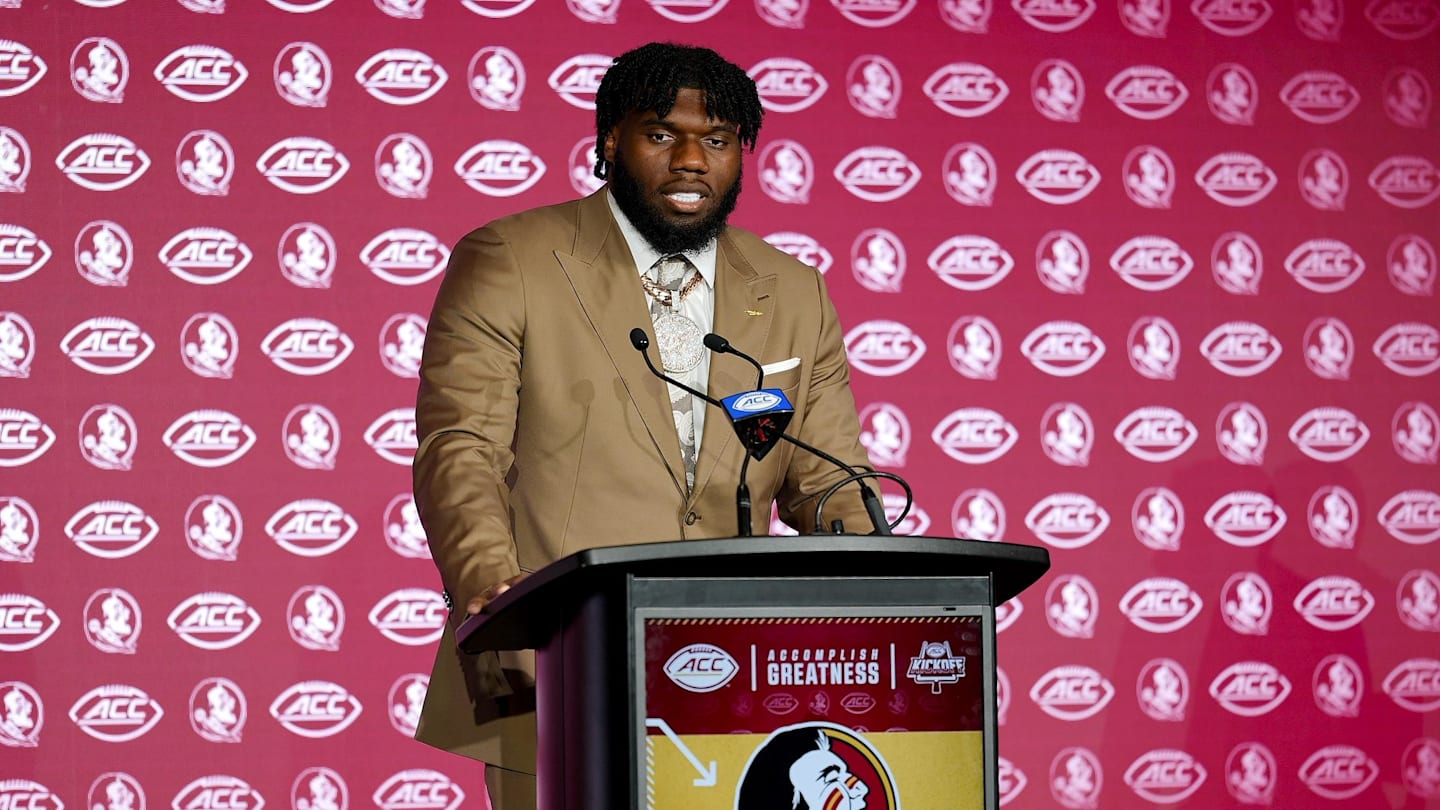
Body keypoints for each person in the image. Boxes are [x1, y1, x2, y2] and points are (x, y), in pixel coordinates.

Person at [411, 42, 874, 808]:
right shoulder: (512, 259)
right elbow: (461, 448)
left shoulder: (795, 291)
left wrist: (887, 593)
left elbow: (825, 477)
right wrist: (499, 598)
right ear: (609, 142)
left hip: (740, 681)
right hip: (562, 662)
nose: (692, 159)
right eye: (662, 133)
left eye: (718, 140)